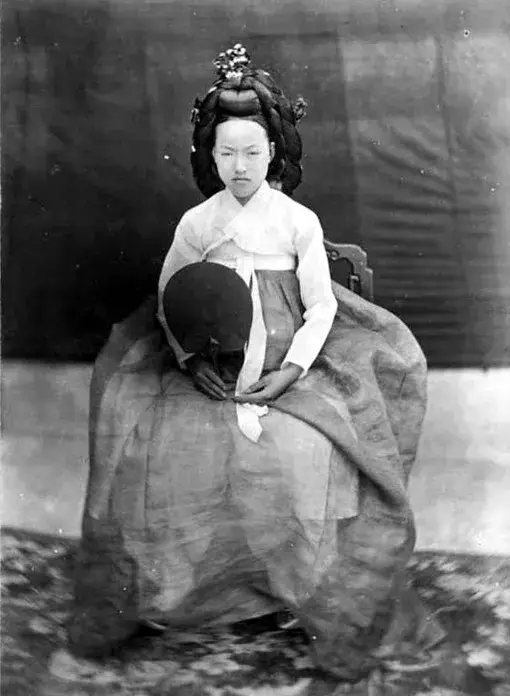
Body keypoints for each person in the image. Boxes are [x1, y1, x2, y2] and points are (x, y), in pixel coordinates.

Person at [69, 44, 444, 687]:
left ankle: (310, 590)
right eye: (226, 153)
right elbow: (170, 298)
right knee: (160, 441)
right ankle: (193, 588)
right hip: (213, 361)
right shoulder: (198, 222)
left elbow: (321, 308)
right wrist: (189, 358)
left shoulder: (297, 221)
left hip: (290, 360)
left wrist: (293, 370)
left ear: (273, 151)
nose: (239, 167)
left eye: (251, 151)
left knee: (305, 449)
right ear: (210, 157)